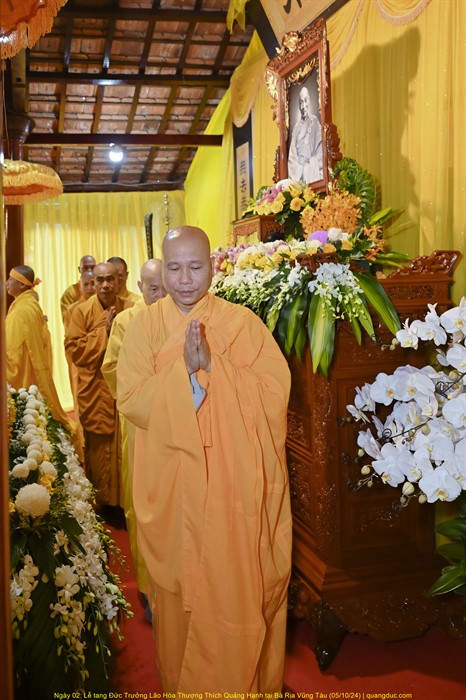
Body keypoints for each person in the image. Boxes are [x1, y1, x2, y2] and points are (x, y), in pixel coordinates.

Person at [116, 226, 292, 692]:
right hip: (175, 484)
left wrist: (215, 366)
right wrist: (185, 375)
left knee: (235, 586)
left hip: (233, 487)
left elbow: (274, 394)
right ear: (161, 270)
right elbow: (130, 398)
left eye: (195, 266)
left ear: (212, 267)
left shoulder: (241, 323)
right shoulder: (143, 328)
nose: (185, 279)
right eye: (174, 268)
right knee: (181, 598)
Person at [102, 259, 166, 594]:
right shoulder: (126, 321)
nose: (161, 296)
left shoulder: (181, 315)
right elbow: (112, 368)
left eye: (165, 288)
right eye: (153, 289)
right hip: (140, 425)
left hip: (177, 423)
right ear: (140, 287)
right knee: (141, 500)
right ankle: (148, 586)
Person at [64, 261, 133, 506]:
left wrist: (117, 331)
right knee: (99, 447)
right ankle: (102, 501)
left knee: (124, 445)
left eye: (110, 279)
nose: (105, 285)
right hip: (94, 388)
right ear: (93, 283)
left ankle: (123, 500)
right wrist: (104, 332)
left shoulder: (129, 309)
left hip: (122, 388)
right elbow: (74, 349)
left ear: (119, 281)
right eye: (100, 280)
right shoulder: (80, 312)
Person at [6, 265, 71, 429]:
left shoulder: (21, 311)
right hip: (33, 369)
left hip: (23, 372)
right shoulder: (31, 305)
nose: (7, 283)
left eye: (11, 279)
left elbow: (12, 351)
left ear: (22, 285)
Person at [63, 268, 96, 462]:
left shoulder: (107, 306)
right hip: (81, 364)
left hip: (100, 365)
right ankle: (82, 446)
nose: (91, 287)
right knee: (82, 406)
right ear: (80, 286)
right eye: (86, 284)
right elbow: (72, 342)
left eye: (93, 283)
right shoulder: (73, 309)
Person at [288, 85, 323, 183]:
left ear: (309, 101)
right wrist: (299, 171)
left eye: (305, 101)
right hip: (298, 175)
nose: (303, 106)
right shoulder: (296, 128)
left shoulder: (314, 122)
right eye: (301, 102)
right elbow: (292, 155)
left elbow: (321, 149)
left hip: (311, 172)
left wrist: (309, 166)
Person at [60, 255, 96, 320]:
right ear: (79, 269)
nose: (89, 271)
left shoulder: (101, 289)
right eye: (86, 268)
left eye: (92, 267)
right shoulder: (70, 292)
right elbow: (66, 319)